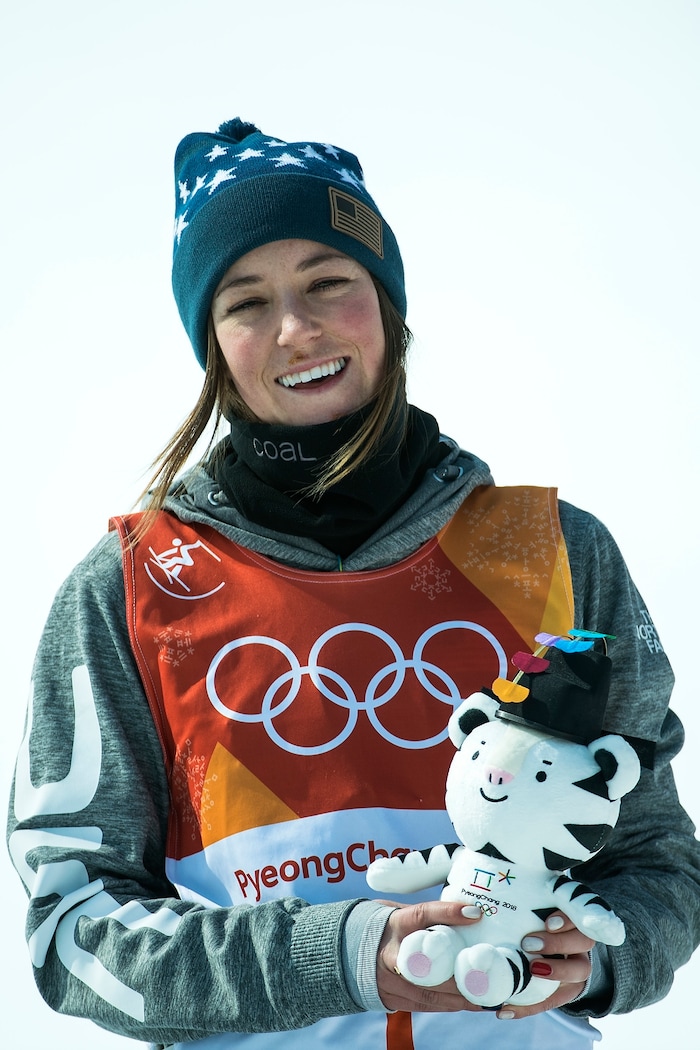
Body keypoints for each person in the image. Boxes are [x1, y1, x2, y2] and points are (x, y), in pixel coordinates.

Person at [7, 117, 700, 1050]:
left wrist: (609, 952)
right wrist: (340, 954)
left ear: (388, 305)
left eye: (330, 282)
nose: (296, 329)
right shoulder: (131, 590)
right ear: (212, 342)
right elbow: (73, 935)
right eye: (245, 302)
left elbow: (657, 858)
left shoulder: (558, 553)